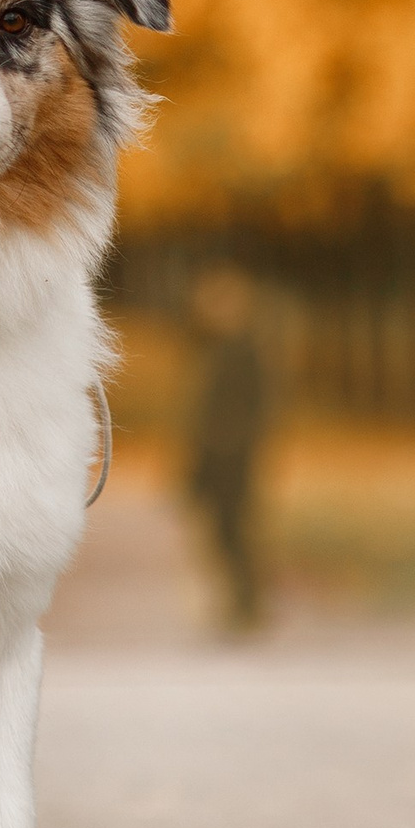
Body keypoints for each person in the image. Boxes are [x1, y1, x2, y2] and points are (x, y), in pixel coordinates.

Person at [185, 263, 267, 632]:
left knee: (233, 530)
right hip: (217, 455)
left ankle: (247, 603)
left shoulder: (244, 351)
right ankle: (240, 601)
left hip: (233, 457)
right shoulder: (214, 349)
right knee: (221, 531)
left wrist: (235, 445)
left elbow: (256, 408)